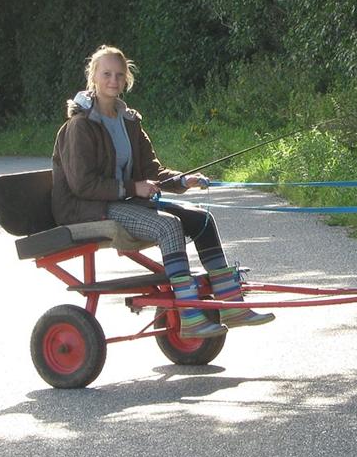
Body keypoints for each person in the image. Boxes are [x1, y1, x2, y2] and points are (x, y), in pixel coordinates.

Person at [51, 45, 273, 338]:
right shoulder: (80, 126)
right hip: (87, 208)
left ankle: (232, 305)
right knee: (168, 226)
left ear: (127, 79)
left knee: (202, 219)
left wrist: (183, 181)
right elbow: (82, 184)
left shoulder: (129, 121)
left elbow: (151, 170)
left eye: (119, 75)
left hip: (123, 201)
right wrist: (133, 187)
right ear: (93, 77)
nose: (113, 80)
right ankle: (190, 316)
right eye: (106, 74)